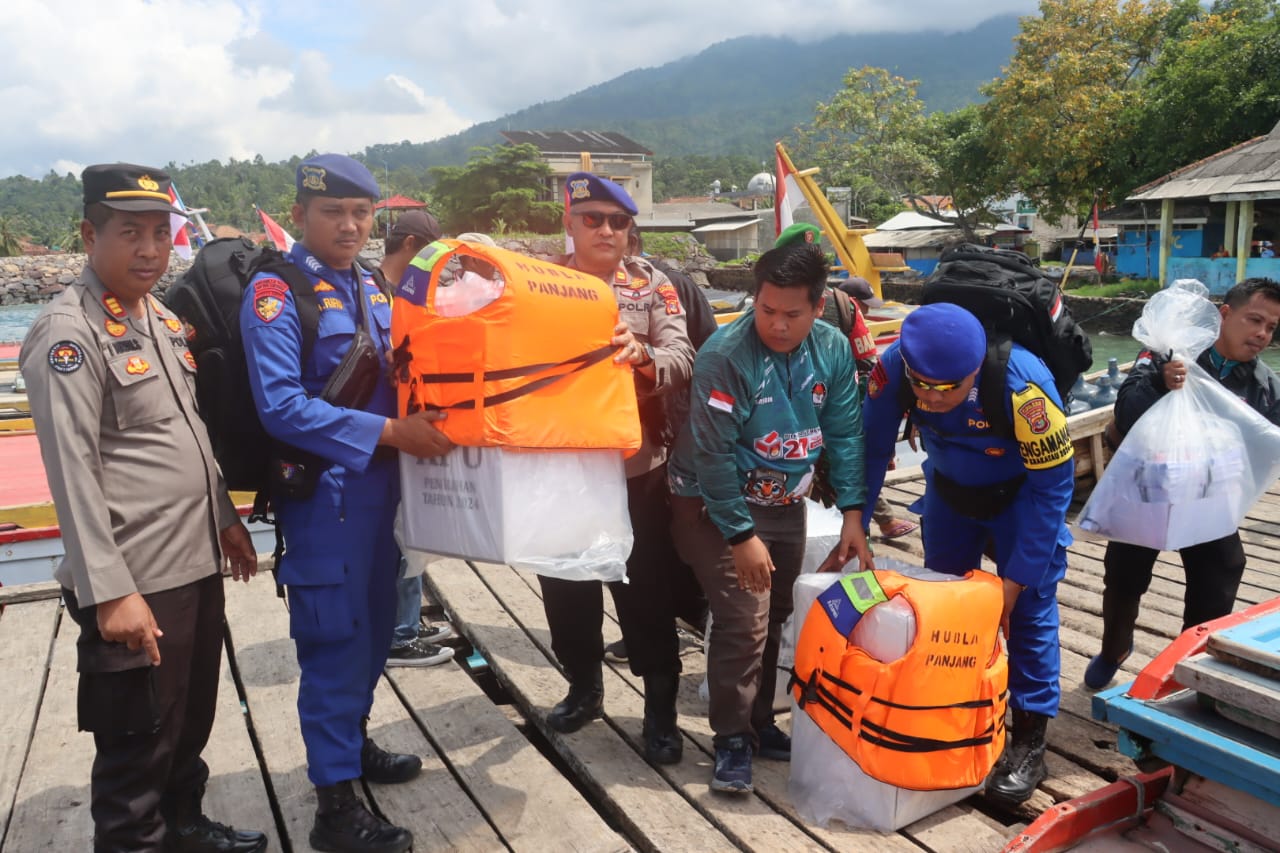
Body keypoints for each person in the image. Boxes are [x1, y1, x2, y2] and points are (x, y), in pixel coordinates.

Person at [21, 163, 267, 853]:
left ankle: (184, 824)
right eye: (131, 232)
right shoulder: (68, 333)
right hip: (135, 576)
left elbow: (186, 429)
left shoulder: (157, 316)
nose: (151, 249)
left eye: (162, 233)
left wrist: (224, 515)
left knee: (188, 719)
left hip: (192, 560)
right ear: (89, 233)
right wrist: (111, 592)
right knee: (137, 744)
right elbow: (71, 473)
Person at [240, 154, 454, 853]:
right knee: (332, 644)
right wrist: (391, 432)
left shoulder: (371, 284)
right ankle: (334, 808)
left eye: (362, 213)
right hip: (326, 502)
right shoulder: (278, 291)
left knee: (373, 638)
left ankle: (352, 746)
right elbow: (280, 406)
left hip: (385, 497)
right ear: (301, 214)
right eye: (334, 211)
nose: (350, 224)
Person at [667, 239, 873, 794]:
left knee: (778, 609)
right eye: (766, 310)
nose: (777, 325)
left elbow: (846, 434)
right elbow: (711, 455)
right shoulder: (724, 356)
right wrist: (739, 535)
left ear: (818, 304)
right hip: (714, 499)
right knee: (744, 614)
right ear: (754, 299)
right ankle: (732, 739)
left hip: (785, 498)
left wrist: (855, 514)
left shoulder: (831, 348)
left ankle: (759, 722)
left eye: (792, 314)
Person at [861, 302, 1075, 807]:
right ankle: (953, 711)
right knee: (945, 605)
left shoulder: (1024, 389)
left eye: (950, 389)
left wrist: (1015, 582)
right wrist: (856, 521)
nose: (933, 400)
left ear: (975, 370)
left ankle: (1029, 738)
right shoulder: (892, 368)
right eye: (923, 387)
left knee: (1028, 613)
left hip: (1023, 499)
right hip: (950, 493)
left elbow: (1054, 491)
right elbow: (870, 448)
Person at [538, 172, 695, 767]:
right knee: (564, 585)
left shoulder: (652, 284)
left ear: (631, 229)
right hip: (558, 464)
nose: (606, 230)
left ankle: (659, 712)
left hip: (635, 467)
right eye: (592, 219)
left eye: (618, 221)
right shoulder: (539, 283)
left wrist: (644, 355)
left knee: (645, 590)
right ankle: (584, 687)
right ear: (569, 223)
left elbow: (684, 355)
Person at [1085, 278, 1280, 688]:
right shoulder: (1169, 354)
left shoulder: (1263, 384)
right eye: (1255, 320)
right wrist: (1160, 381)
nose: (1262, 334)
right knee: (1123, 574)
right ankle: (1113, 648)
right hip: (1149, 491)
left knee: (1224, 569)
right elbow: (1126, 413)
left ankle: (1187, 666)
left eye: (1272, 327)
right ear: (1224, 315)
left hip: (1210, 498)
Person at [375, 210, 456, 668]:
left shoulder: (402, 294)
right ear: (409, 245)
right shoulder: (380, 294)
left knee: (413, 536)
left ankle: (408, 619)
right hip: (392, 436)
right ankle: (400, 634)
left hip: (412, 431)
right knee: (401, 538)